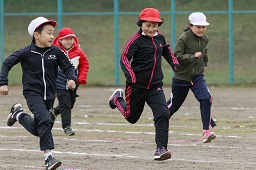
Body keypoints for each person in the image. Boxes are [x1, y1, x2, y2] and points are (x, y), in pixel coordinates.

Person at [0, 17, 77, 170]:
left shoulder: (56, 52)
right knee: (45, 120)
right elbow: (7, 63)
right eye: (48, 33)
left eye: (52, 33)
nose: (51, 36)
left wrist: (71, 78)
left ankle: (18, 114)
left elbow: (68, 67)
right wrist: (3, 82)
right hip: (32, 93)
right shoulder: (25, 52)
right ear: (36, 35)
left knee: (38, 129)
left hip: (49, 95)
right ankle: (49, 158)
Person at [108, 8, 180, 160]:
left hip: (155, 86)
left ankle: (161, 149)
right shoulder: (135, 40)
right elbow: (124, 58)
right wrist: (131, 77)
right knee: (131, 117)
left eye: (154, 25)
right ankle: (116, 99)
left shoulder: (160, 38)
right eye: (148, 25)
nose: (151, 28)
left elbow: (166, 50)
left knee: (163, 113)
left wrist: (174, 62)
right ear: (141, 24)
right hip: (136, 86)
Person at [166, 12, 217, 143]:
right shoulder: (184, 38)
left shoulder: (205, 39)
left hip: (197, 77)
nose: (201, 29)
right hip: (182, 78)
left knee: (206, 98)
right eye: (198, 26)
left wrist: (205, 63)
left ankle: (207, 131)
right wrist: (192, 57)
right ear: (190, 26)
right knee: (173, 106)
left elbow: (205, 53)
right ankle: (159, 118)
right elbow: (175, 56)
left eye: (203, 27)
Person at [52, 27, 89, 136]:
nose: (69, 41)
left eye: (71, 39)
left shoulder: (78, 51)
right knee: (65, 104)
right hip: (58, 83)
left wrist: (81, 78)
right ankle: (67, 127)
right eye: (66, 39)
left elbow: (85, 64)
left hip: (73, 83)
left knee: (70, 104)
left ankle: (54, 112)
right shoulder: (54, 51)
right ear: (60, 40)